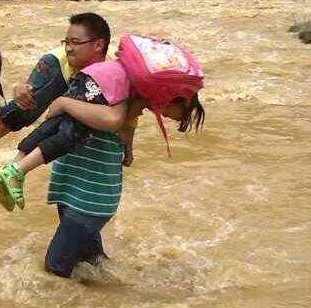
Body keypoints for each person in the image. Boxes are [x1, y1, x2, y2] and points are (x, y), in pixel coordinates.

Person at [41, 91, 205, 279]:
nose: (165, 116)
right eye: (173, 113)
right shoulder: (125, 98)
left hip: (88, 196)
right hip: (79, 188)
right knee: (91, 262)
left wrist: (63, 103)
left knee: (54, 272)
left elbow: (116, 119)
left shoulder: (123, 104)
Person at [0, 12, 115, 184]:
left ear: (99, 45)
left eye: (75, 42)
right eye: (67, 42)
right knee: (25, 106)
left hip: (72, 73)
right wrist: (19, 87)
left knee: (31, 115)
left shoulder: (111, 67)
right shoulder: (69, 58)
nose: (69, 47)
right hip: (57, 65)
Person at [0, 59, 132, 210]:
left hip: (83, 77)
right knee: (71, 133)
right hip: (97, 89)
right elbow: (127, 116)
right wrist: (128, 147)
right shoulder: (148, 79)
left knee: (55, 120)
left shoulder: (114, 63)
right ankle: (17, 171)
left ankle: (12, 166)